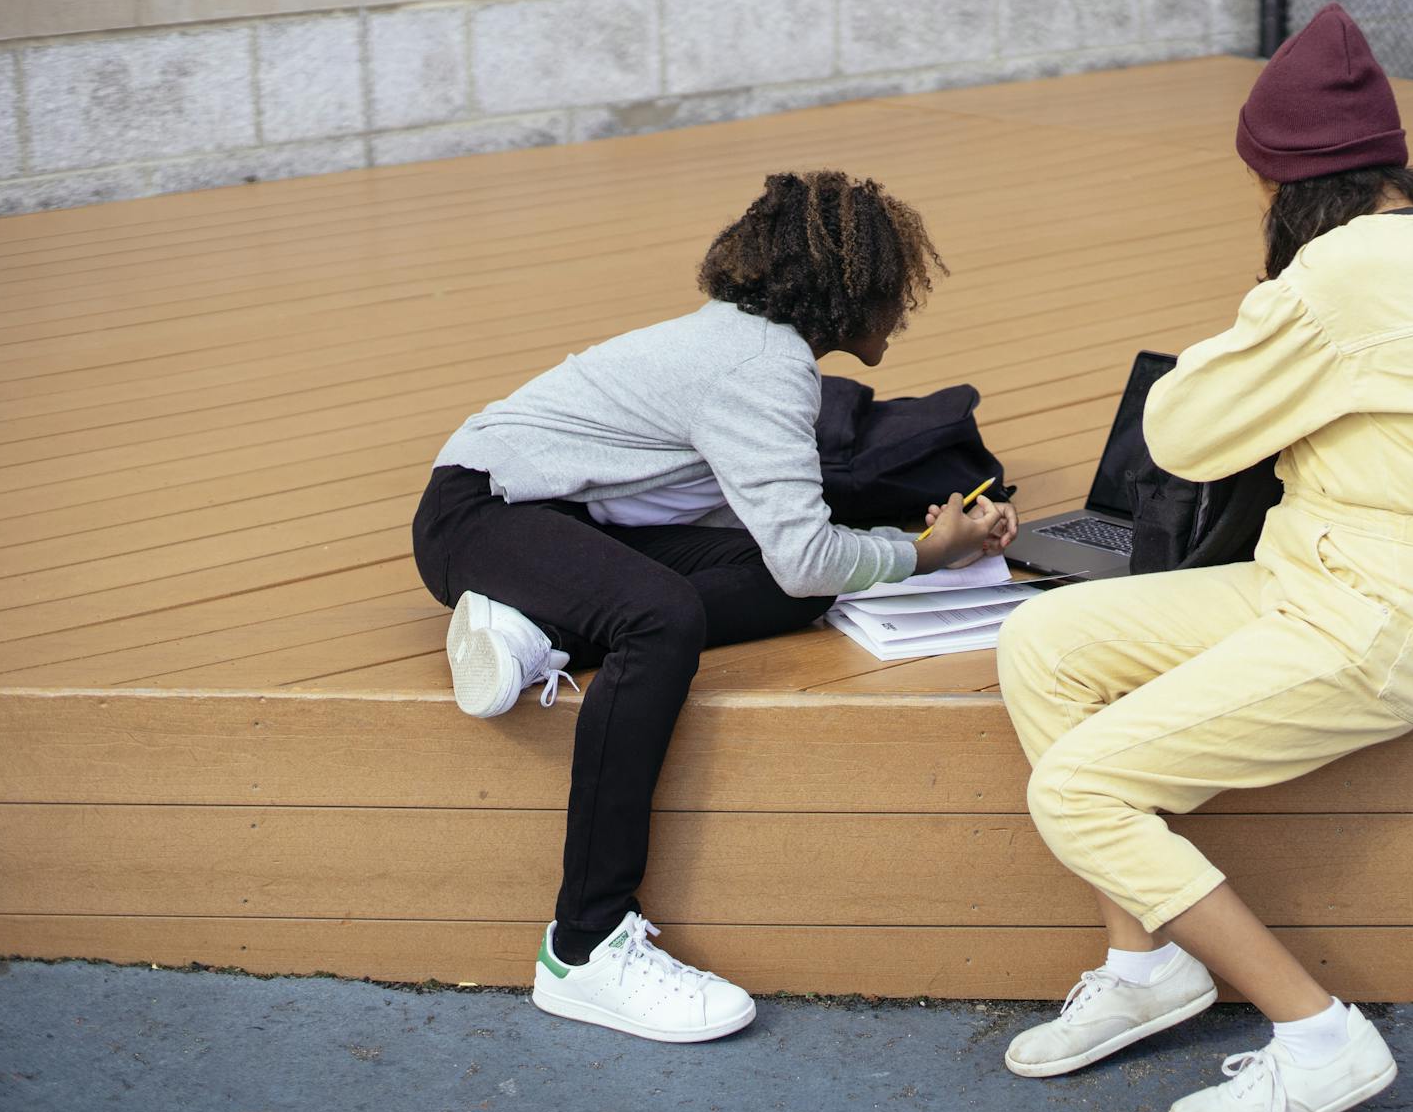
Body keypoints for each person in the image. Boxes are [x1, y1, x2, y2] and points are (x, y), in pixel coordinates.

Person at [993, 4, 1413, 1112]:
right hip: (1307, 580)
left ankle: (1316, 1034)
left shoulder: (1324, 280)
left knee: (1076, 789)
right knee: (1043, 642)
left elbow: (1175, 435)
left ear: (1284, 182)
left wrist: (1284, 337)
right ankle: (1145, 967)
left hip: (1370, 622)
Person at [410, 170, 1016, 1044]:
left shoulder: (754, 348)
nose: (906, 305)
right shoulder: (760, 368)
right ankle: (584, 947)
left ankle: (532, 626)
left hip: (566, 524)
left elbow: (786, 541)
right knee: (661, 619)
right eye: (898, 286)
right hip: (485, 513)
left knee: (775, 581)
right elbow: (810, 554)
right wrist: (926, 553)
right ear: (854, 291)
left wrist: (919, 531)